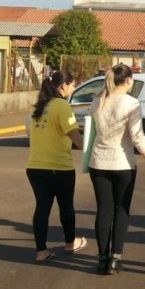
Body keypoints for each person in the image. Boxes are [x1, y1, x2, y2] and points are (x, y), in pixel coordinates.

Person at [87, 64, 145, 275]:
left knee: (103, 210)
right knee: (121, 210)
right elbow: (138, 137)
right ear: (128, 80)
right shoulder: (131, 103)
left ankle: (102, 258)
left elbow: (92, 132)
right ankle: (115, 258)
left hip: (98, 163)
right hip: (123, 164)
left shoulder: (97, 101)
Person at [26, 71, 86, 263]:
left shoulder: (38, 107)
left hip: (35, 166)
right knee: (66, 205)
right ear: (63, 87)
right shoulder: (62, 106)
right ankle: (70, 243)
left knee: (42, 207)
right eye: (73, 85)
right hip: (59, 167)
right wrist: (90, 146)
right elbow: (75, 136)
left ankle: (41, 251)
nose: (73, 88)